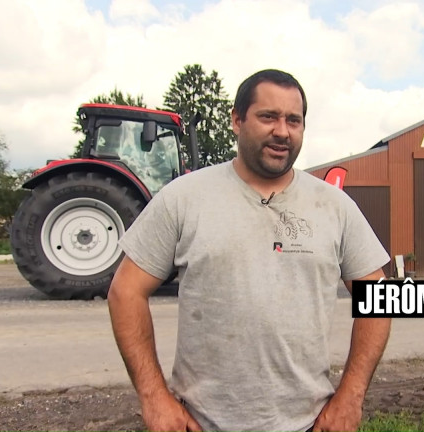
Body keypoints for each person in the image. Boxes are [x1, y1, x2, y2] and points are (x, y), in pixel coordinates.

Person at [107, 69, 392, 432]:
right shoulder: (184, 198)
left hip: (308, 424)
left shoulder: (334, 206)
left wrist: (350, 398)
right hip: (199, 424)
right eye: (268, 116)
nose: (282, 131)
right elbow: (125, 292)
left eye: (294, 120)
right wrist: (153, 397)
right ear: (237, 120)